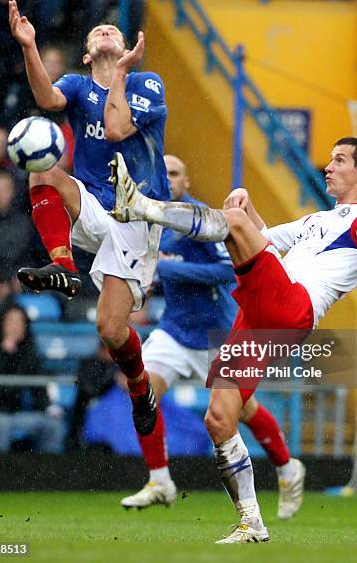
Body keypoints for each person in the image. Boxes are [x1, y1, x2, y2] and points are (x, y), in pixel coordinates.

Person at [109, 137, 357, 543]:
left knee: (231, 222)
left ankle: (143, 208)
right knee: (218, 419)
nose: (329, 167)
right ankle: (251, 522)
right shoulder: (315, 221)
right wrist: (248, 207)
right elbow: (264, 240)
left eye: (340, 160)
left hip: (291, 307)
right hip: (261, 315)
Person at [8, 0, 170, 437]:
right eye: (96, 32)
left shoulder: (147, 84)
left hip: (138, 216)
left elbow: (116, 129)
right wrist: (29, 46)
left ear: (127, 47)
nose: (104, 32)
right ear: (85, 54)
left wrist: (120, 73)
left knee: (109, 328)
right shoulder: (79, 87)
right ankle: (63, 266)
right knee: (41, 170)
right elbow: (47, 98)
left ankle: (140, 388)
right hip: (95, 205)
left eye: (111, 32)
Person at [120, 154, 305, 520]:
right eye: (164, 172)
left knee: (241, 411)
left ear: (186, 183)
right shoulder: (152, 220)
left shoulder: (199, 220)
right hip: (174, 331)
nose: (169, 178)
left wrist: (170, 267)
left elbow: (225, 270)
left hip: (215, 336)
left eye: (176, 173)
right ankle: (160, 479)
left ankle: (287, 467)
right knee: (143, 393)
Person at [0, 304, 65, 453]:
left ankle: (47, 473)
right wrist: (4, 353)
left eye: (19, 322)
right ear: (2, 324)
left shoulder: (28, 353)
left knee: (53, 426)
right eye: (11, 322)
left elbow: (38, 386)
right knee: (1, 425)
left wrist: (48, 407)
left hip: (17, 414)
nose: (15, 327)